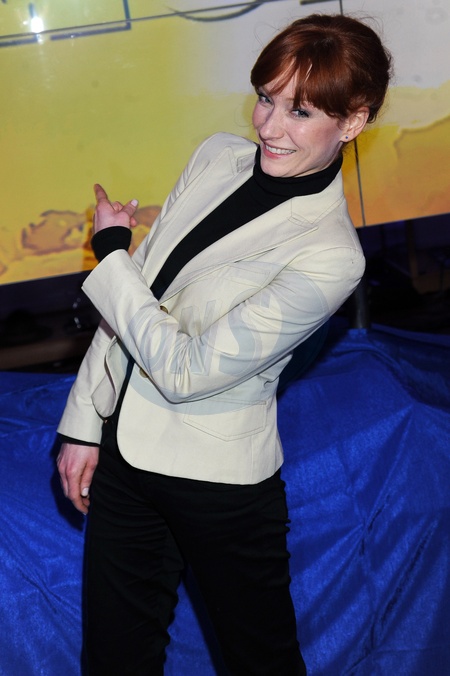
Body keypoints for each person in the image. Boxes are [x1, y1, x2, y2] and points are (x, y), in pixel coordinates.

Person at [57, 13, 392, 675]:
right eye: (266, 98)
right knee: (114, 661)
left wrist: (111, 253)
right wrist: (84, 424)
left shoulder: (332, 257)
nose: (269, 126)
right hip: (125, 458)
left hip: (219, 486)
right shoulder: (215, 155)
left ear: (353, 121)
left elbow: (186, 370)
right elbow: (139, 297)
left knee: (260, 663)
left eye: (300, 111)